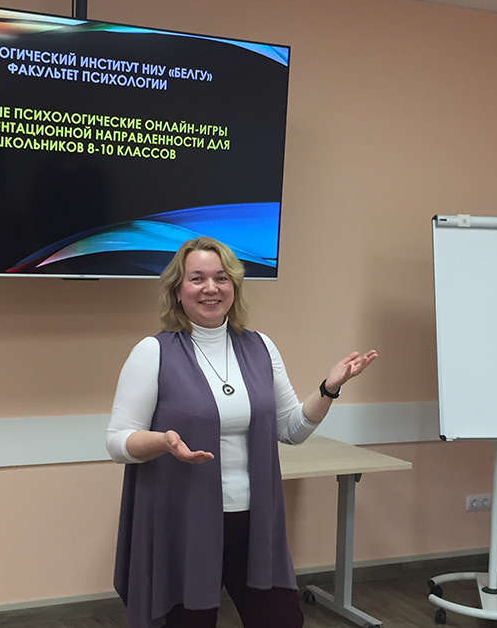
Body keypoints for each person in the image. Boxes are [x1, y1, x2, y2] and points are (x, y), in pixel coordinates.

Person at [106, 236, 377, 628]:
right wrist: (162, 442)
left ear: (234, 286)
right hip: (187, 524)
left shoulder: (260, 347)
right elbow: (117, 441)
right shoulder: (153, 352)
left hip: (254, 522)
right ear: (177, 291)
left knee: (282, 620)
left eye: (221, 278)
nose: (211, 288)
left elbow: (291, 429)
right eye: (197, 278)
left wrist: (328, 389)